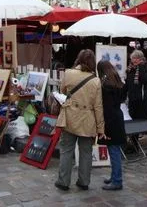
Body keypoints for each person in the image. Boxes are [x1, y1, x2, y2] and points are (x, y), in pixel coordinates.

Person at [55, 49, 105, 191]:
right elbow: (98, 106)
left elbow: (63, 90)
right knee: (86, 152)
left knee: (66, 151)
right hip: (87, 120)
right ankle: (84, 181)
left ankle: (63, 181)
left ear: (78, 59)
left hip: (70, 117)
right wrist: (100, 128)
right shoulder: (95, 81)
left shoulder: (69, 73)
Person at [97, 60, 126, 191]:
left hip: (111, 120)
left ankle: (117, 180)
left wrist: (104, 126)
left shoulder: (106, 85)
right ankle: (114, 176)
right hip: (117, 116)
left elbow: (107, 108)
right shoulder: (117, 81)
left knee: (114, 151)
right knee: (114, 150)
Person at [124, 49, 147, 155]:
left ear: (139, 59)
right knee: (133, 123)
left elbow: (145, 80)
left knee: (146, 123)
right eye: (132, 58)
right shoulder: (130, 70)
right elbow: (127, 84)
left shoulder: (145, 69)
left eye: (134, 58)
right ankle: (135, 146)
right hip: (133, 100)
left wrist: (140, 66)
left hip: (143, 100)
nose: (132, 60)